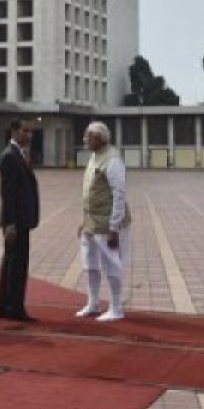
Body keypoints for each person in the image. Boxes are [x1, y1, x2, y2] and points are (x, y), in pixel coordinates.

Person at [76, 121, 131, 322]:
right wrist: (83, 221)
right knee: (89, 263)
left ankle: (116, 308)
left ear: (100, 138)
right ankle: (93, 303)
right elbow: (90, 191)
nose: (84, 139)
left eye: (87, 136)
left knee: (111, 264)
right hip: (91, 221)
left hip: (107, 223)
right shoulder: (94, 157)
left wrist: (114, 227)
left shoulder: (112, 160)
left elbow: (119, 194)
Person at [0, 118, 39, 321]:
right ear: (14, 131)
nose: (29, 135)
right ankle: (12, 308)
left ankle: (9, 306)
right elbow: (8, 194)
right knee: (15, 265)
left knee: (15, 264)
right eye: (25, 131)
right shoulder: (10, 156)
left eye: (31, 131)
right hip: (15, 222)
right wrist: (10, 223)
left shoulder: (20, 154)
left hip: (21, 220)